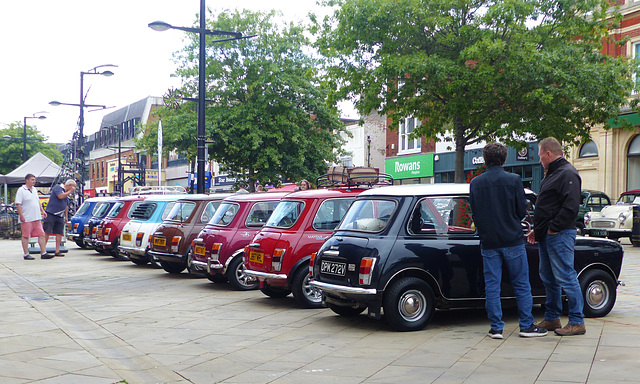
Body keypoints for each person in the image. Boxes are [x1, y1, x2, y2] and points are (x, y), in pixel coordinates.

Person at [469, 143, 547, 339]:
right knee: (521, 284)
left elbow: (475, 213)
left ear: (485, 159)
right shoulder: (514, 180)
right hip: (512, 240)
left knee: (492, 285)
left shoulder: (476, 183)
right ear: (504, 159)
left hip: (489, 242)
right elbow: (522, 211)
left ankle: (496, 328)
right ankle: (526, 326)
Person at [527, 137, 586, 336]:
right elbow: (550, 206)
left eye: (540, 154)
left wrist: (553, 228)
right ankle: (552, 318)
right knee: (548, 276)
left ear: (548, 154)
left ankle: (577, 321)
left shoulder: (567, 173)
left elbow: (571, 207)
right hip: (548, 234)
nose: (539, 159)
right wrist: (539, 229)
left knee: (566, 276)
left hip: (559, 234)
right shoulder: (554, 174)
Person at [15, 174, 52, 260]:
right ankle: (26, 254)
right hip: (27, 217)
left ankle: (43, 252)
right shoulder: (21, 190)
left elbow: (37, 201)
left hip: (36, 217)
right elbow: (18, 204)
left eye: (34, 179)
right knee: (25, 235)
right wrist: (21, 215)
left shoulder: (35, 190)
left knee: (41, 234)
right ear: (27, 180)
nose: (34, 181)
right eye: (32, 179)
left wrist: (42, 211)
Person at [43, 179, 77, 256]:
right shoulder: (58, 188)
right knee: (47, 231)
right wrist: (69, 191)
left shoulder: (68, 195)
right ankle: (43, 249)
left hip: (60, 215)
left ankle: (57, 250)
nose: (74, 189)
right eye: (73, 187)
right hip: (51, 213)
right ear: (69, 185)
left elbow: (66, 206)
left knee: (59, 233)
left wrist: (66, 216)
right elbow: (60, 196)